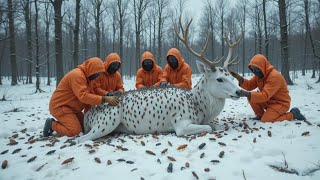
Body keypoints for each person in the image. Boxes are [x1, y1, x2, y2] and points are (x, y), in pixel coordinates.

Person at [43, 57, 119, 137]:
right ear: (91, 69)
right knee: (75, 132)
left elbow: (92, 93)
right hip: (60, 107)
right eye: (97, 73)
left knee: (85, 127)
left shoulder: (89, 78)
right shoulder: (77, 75)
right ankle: (51, 124)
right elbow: (84, 96)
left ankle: (68, 121)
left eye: (99, 74)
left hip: (73, 109)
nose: (97, 76)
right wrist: (104, 99)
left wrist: (93, 110)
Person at [230, 54, 306, 123]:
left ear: (263, 66)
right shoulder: (259, 75)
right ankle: (260, 115)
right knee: (251, 97)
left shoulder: (274, 76)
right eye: (253, 69)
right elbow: (250, 85)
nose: (254, 71)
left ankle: (293, 114)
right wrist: (238, 78)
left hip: (280, 103)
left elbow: (265, 95)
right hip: (268, 101)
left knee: (266, 120)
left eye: (256, 69)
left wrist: (246, 94)